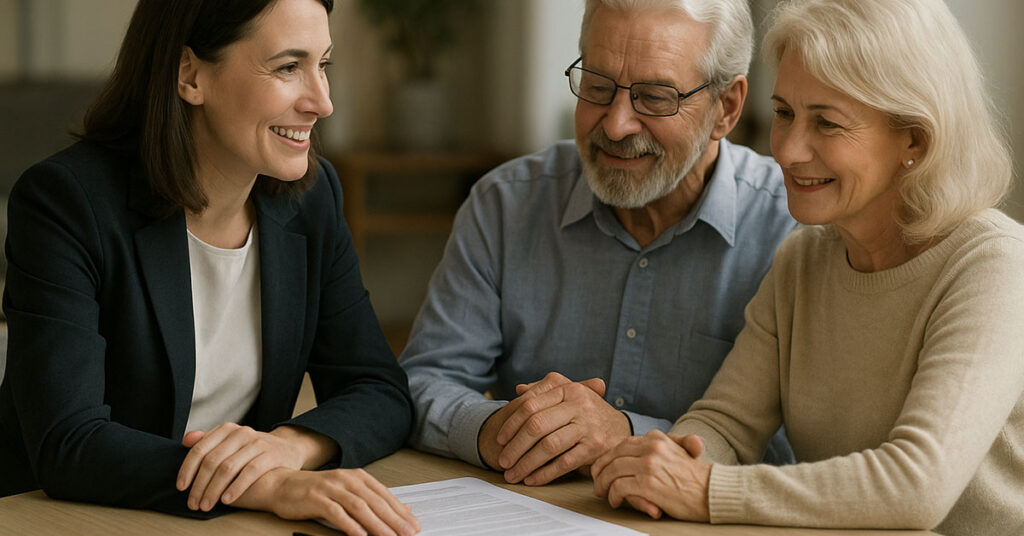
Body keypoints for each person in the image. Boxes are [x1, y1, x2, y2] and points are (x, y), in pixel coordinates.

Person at [591, 0, 1024, 534]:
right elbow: (726, 423)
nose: (789, 150)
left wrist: (703, 488)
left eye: (827, 122)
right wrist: (663, 464)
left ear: (914, 137)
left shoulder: (994, 266)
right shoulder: (803, 258)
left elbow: (917, 487)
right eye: (785, 113)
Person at [0, 1, 420, 534]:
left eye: (324, 65)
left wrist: (287, 448)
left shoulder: (310, 199)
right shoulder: (67, 203)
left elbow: (378, 388)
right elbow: (69, 441)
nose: (322, 102)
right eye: (289, 67)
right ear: (190, 75)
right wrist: (265, 485)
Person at [400, 0, 798, 487]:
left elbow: (797, 451)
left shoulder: (791, 232)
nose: (615, 125)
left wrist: (627, 438)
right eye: (598, 86)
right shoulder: (506, 204)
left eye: (654, 97)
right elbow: (421, 383)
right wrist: (493, 429)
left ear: (726, 108)